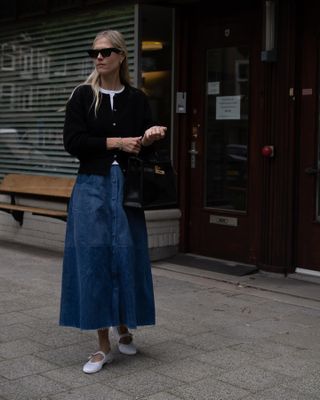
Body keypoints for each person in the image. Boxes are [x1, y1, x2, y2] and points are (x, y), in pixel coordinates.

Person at [59, 29, 166, 374]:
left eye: (106, 51)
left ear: (121, 56)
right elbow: (73, 142)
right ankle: (102, 344)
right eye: (95, 52)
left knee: (127, 256)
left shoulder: (137, 98)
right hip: (92, 186)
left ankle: (125, 328)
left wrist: (151, 135)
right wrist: (118, 141)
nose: (99, 57)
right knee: (94, 259)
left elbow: (149, 146)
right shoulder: (82, 96)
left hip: (129, 188)